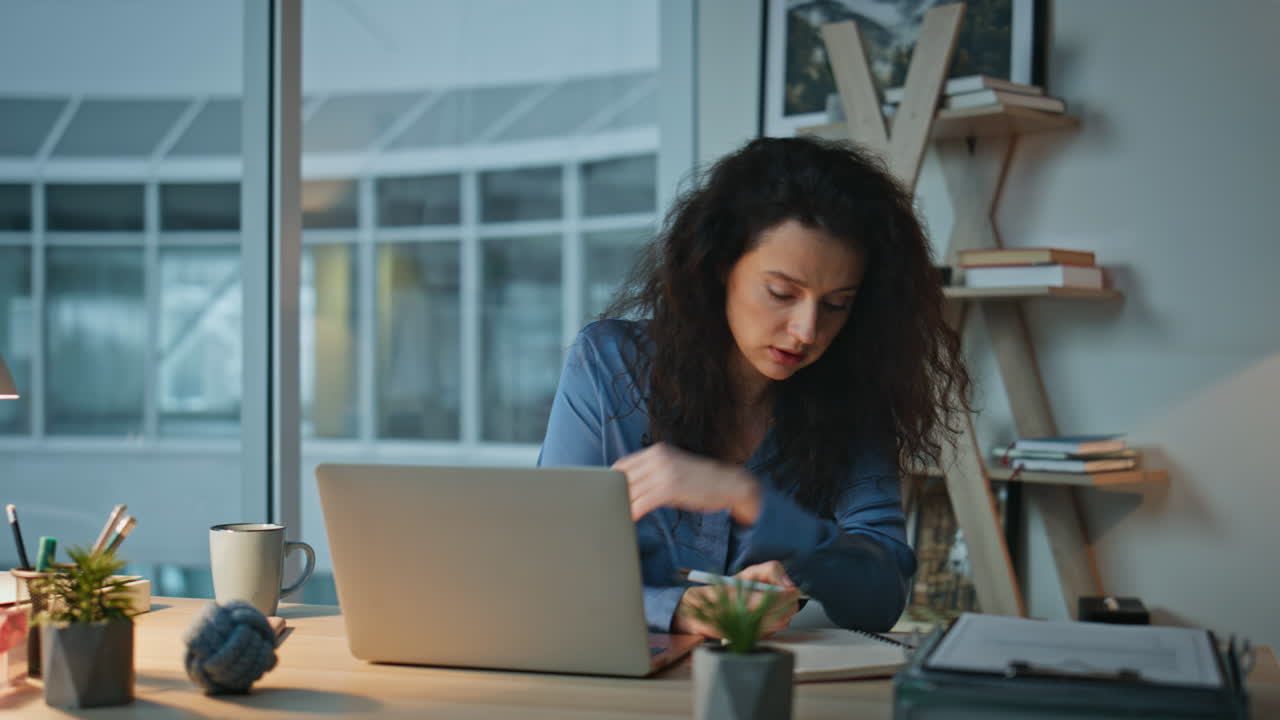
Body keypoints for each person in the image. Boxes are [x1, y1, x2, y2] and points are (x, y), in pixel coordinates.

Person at [537, 136, 970, 637]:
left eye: (836, 304)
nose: (806, 331)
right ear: (720, 266)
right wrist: (681, 609)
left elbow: (881, 596)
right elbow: (547, 565)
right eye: (782, 293)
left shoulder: (853, 397)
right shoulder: (609, 366)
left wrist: (755, 503)